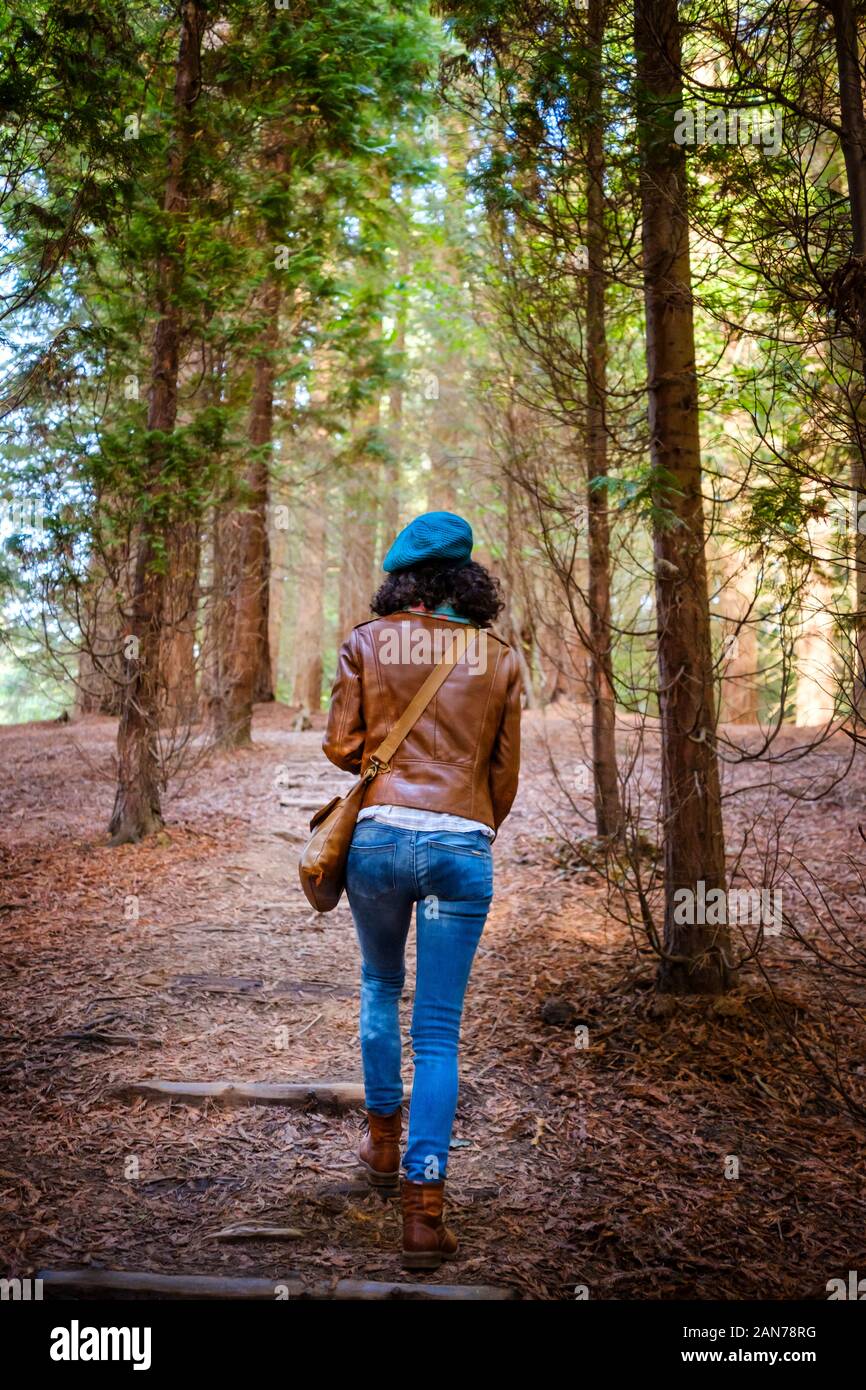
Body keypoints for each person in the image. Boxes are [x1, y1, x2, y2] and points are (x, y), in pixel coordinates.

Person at [322, 510, 522, 1270]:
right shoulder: (499, 657)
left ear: (402, 579)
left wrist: (386, 773)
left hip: (374, 843)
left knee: (379, 985)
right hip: (460, 849)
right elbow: (504, 776)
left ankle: (380, 1145)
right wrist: (466, 824)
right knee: (437, 1034)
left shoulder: (367, 642)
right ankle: (423, 1215)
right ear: (466, 579)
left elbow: (342, 746)